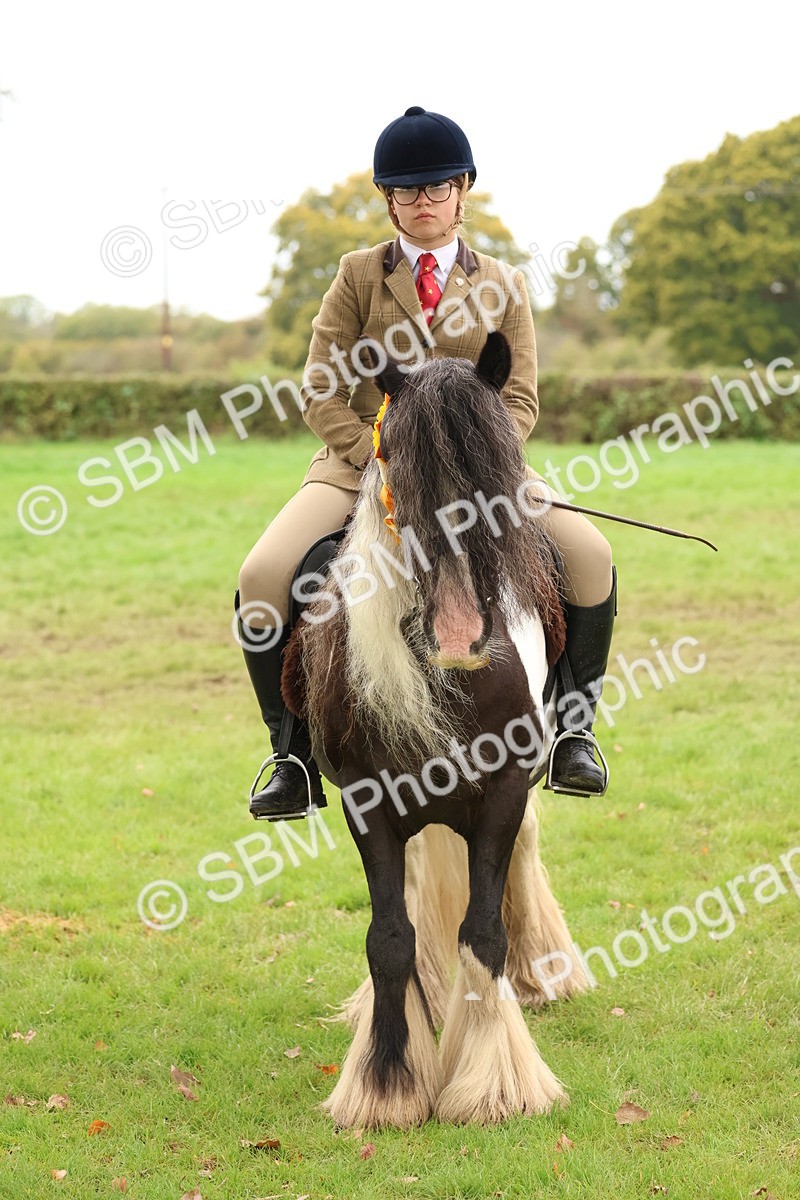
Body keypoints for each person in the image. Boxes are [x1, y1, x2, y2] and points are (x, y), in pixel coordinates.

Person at [236, 106, 616, 822]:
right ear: (389, 199)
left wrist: (481, 464)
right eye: (407, 191)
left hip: (483, 473)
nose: (423, 202)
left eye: (438, 188)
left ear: (462, 190)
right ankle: (291, 756)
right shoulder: (358, 275)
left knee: (591, 555)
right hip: (362, 465)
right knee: (260, 576)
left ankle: (574, 733)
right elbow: (320, 387)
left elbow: (520, 397)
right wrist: (374, 453)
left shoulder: (503, 282)